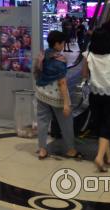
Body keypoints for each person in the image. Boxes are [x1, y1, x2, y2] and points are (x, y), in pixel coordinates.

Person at [82, 28, 110, 172]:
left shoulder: (88, 55)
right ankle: (99, 157)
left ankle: (109, 156)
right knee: (108, 125)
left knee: (100, 124)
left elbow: (84, 74)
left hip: (95, 94)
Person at [35, 30, 81, 160]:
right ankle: (71, 149)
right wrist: (66, 103)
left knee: (42, 121)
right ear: (57, 44)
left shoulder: (42, 55)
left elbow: (37, 72)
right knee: (66, 122)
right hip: (56, 97)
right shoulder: (60, 60)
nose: (63, 45)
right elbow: (62, 83)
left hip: (41, 93)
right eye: (62, 43)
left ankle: (42, 149)